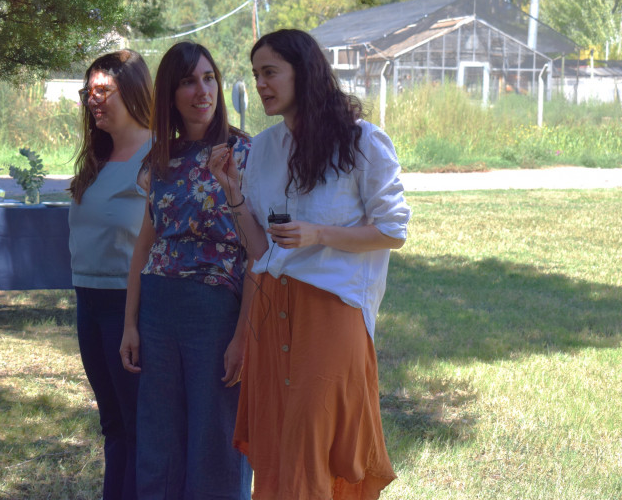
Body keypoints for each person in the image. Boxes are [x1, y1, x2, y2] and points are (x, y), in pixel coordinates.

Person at [209, 29, 411, 500]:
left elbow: (393, 231)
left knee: (316, 442)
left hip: (332, 312)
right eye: (256, 74)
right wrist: (233, 192)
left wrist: (320, 235)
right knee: (282, 446)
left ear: (305, 73)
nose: (260, 84)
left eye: (271, 72)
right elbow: (261, 252)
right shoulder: (264, 149)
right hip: (272, 310)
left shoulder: (362, 142)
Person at [119, 41, 253, 500]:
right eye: (189, 81)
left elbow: (260, 253)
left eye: (209, 78)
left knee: (215, 435)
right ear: (170, 96)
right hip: (157, 307)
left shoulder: (246, 153)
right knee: (159, 437)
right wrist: (130, 323)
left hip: (216, 309)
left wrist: (243, 334)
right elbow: (144, 244)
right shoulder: (160, 159)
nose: (203, 90)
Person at [69, 49, 153, 500]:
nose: (92, 101)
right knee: (113, 425)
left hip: (130, 305)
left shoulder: (158, 156)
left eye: (102, 91)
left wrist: (133, 321)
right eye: (88, 92)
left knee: (138, 427)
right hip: (89, 303)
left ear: (134, 90)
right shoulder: (97, 157)